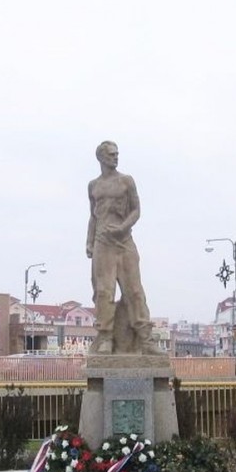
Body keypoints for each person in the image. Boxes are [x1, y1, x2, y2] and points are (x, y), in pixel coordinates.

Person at [86, 140, 162, 355]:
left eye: (117, 154)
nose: (115, 157)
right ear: (101, 157)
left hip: (124, 240)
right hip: (103, 243)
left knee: (135, 290)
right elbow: (93, 216)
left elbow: (136, 210)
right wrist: (89, 241)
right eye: (111, 154)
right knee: (104, 291)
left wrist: (122, 227)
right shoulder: (94, 185)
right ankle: (106, 338)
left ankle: (145, 339)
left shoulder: (126, 181)